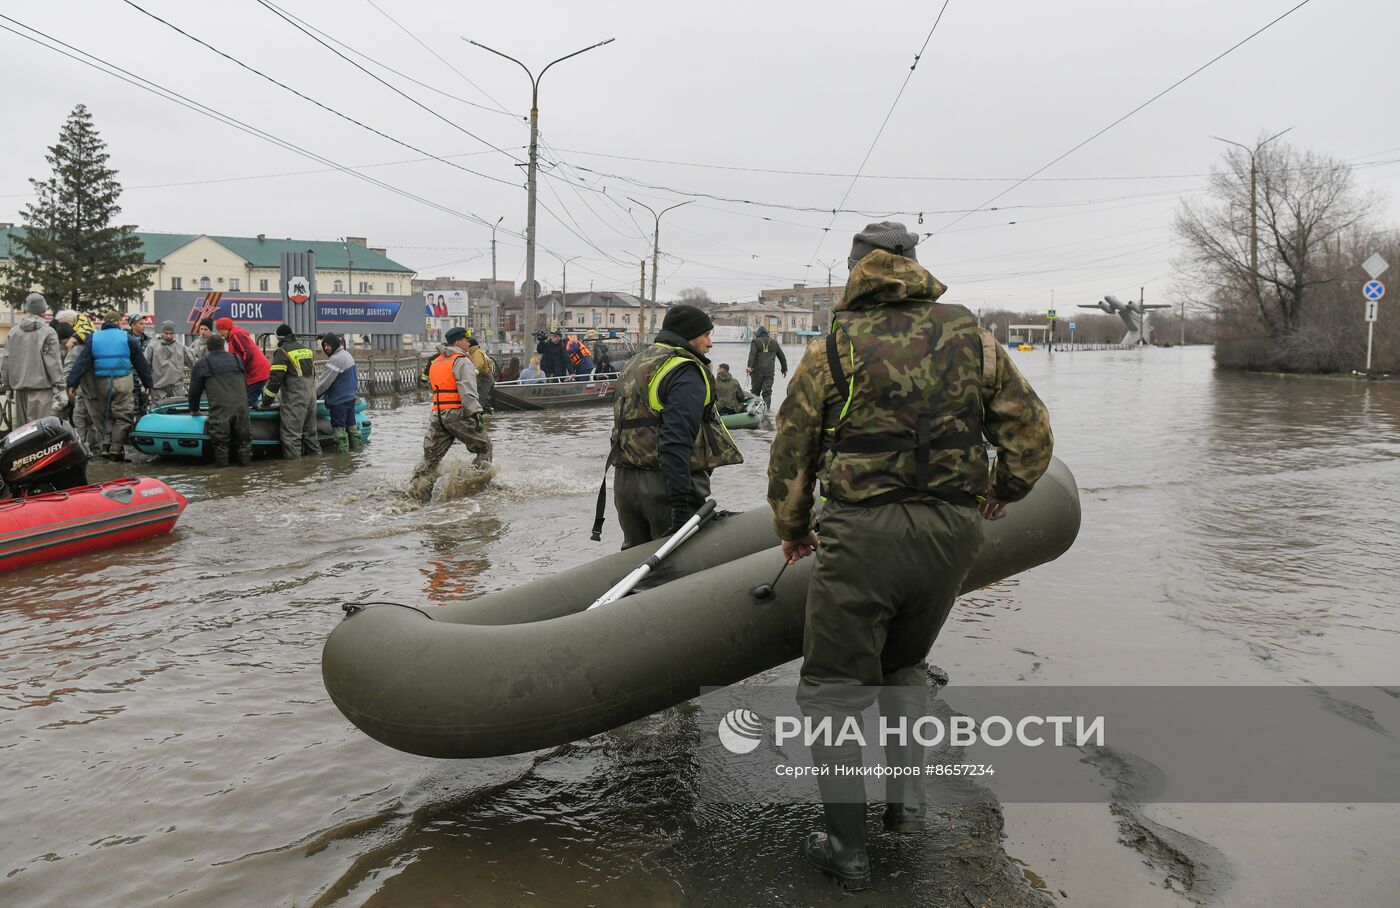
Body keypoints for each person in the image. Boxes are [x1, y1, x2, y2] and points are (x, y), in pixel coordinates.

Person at [767, 222, 1054, 891]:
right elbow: (1032, 435)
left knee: (835, 692)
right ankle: (904, 808)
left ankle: (847, 849)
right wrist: (998, 491)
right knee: (904, 665)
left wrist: (794, 526)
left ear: (853, 270)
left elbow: (793, 451)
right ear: (916, 266)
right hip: (952, 534)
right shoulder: (973, 336)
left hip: (863, 535)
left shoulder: (832, 347)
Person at [602, 304, 743, 549]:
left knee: (636, 565)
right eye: (706, 335)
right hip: (664, 487)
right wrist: (680, 505)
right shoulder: (684, 370)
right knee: (678, 569)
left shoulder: (636, 362)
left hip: (625, 484)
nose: (710, 344)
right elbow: (676, 439)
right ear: (689, 335)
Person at [409, 326, 492, 499]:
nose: (469, 343)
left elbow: (434, 387)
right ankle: (475, 487)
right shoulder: (461, 360)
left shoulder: (437, 361)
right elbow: (467, 389)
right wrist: (476, 413)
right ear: (458, 342)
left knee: (430, 458)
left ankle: (418, 489)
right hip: (457, 413)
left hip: (438, 414)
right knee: (484, 447)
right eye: (466, 339)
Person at [64, 313, 155, 461]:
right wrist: (148, 384)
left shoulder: (94, 338)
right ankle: (116, 450)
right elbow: (141, 363)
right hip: (123, 381)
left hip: (102, 382)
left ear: (104, 323)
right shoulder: (127, 338)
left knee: (106, 414)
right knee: (123, 416)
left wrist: (72, 383)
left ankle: (105, 446)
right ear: (119, 322)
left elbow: (82, 362)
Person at [188, 335, 252, 467]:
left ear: (208, 347)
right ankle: (246, 472)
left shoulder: (203, 363)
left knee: (220, 444)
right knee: (244, 442)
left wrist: (194, 410)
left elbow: (194, 391)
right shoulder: (236, 359)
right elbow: (245, 383)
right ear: (224, 346)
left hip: (221, 410)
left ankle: (222, 477)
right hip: (242, 407)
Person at [1, 293, 65, 426]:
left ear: (28, 309)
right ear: (44, 309)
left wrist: (7, 385)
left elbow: (6, 360)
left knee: (23, 434)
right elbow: (53, 362)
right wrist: (60, 386)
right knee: (41, 432)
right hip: (42, 391)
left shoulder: (13, 332)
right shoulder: (48, 332)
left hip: (19, 391)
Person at [259, 324, 321, 459]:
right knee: (311, 434)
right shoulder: (307, 350)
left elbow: (275, 380)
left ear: (279, 338)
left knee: (291, 437)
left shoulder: (282, 352)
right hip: (311, 396)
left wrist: (265, 402)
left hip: (295, 397)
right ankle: (317, 467)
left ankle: (294, 474)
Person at [314, 333, 361, 453]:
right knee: (352, 427)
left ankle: (342, 462)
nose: (326, 348)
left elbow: (323, 383)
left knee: (339, 431)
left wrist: (312, 396)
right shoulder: (346, 354)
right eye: (324, 345)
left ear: (334, 344)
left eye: (328, 345)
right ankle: (356, 455)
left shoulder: (335, 360)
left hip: (339, 400)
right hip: (350, 398)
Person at [213, 317, 271, 406]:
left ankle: (251, 417)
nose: (219, 333)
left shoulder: (236, 335)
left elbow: (247, 354)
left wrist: (241, 370)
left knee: (247, 401)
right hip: (255, 372)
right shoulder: (233, 336)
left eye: (219, 330)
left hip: (257, 372)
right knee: (244, 397)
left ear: (225, 329)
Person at [146, 320, 197, 403]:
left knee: (178, 413)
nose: (169, 336)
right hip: (158, 390)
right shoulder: (152, 347)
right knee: (160, 414)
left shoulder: (181, 347)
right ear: (162, 332)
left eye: (171, 333)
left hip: (176, 389)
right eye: (166, 333)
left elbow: (193, 362)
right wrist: (146, 385)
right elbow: (145, 367)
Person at [746, 325, 788, 409]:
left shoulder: (755, 341)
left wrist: (749, 366)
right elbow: (782, 357)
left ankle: (754, 412)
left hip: (756, 372)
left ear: (758, 334)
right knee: (767, 392)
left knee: (755, 392)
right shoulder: (774, 342)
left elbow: (752, 354)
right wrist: (784, 369)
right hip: (769, 372)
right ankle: (767, 410)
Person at [466, 336, 495, 413]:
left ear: (470, 346)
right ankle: (485, 411)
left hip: (484, 378)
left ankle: (482, 413)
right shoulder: (479, 351)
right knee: (483, 395)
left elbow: (479, 364)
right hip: (486, 377)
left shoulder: (476, 353)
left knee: (482, 396)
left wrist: (474, 372)